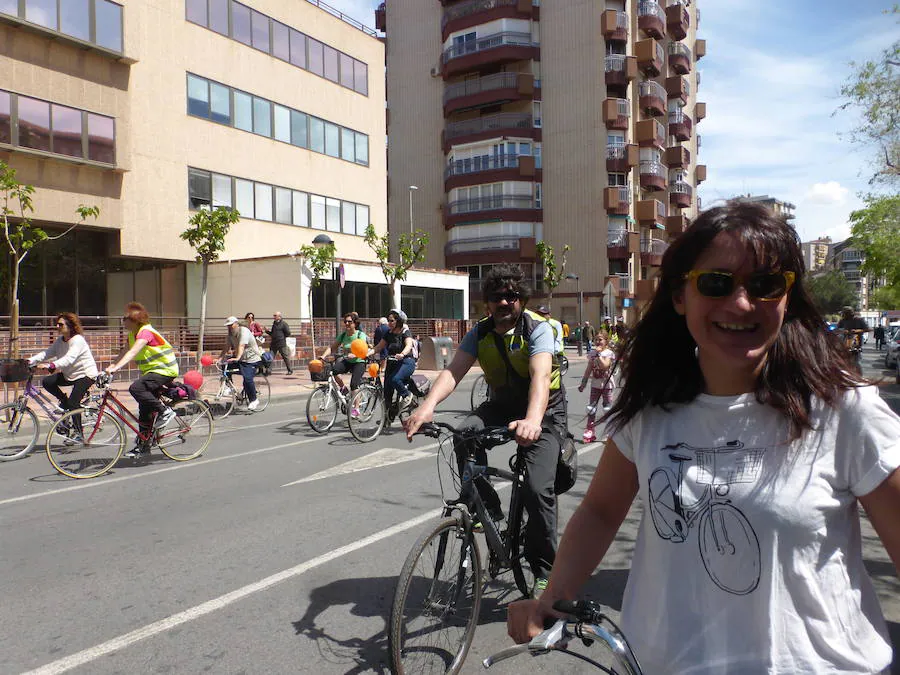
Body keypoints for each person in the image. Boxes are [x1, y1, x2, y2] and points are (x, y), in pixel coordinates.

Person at [507, 200, 900, 673]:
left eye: (765, 284)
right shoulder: (649, 407)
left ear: (787, 297)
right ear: (680, 296)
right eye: (716, 283)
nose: (741, 303)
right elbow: (600, 509)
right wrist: (553, 596)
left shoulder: (844, 410)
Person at [405, 264, 566, 596]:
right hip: (503, 405)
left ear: (521, 299)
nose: (504, 303)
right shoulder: (479, 332)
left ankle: (546, 570)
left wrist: (533, 421)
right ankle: (488, 506)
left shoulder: (538, 329)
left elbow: (540, 380)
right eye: (497, 297)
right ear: (487, 303)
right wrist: (427, 405)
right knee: (464, 434)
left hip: (544, 412)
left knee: (537, 490)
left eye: (511, 296)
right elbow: (453, 372)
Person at [106, 302, 179, 457]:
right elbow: (123, 352)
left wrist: (116, 368)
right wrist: (109, 368)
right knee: (144, 409)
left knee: (136, 388)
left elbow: (132, 353)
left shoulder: (146, 332)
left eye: (125, 318)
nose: (122, 320)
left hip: (165, 370)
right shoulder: (132, 335)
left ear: (135, 320)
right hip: (152, 372)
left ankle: (165, 411)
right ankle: (144, 445)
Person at [28, 312, 98, 415]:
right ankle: (64, 401)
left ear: (70, 326)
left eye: (61, 324)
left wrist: (50, 365)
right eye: (57, 324)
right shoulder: (60, 341)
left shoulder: (78, 340)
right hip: (70, 375)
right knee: (47, 382)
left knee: (73, 404)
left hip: (85, 375)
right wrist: (30, 361)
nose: (57, 326)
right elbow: (47, 353)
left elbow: (69, 359)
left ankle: (78, 431)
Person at [372, 309, 417, 413]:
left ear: (399, 321)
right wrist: (367, 353)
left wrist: (402, 354)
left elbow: (408, 345)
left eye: (392, 321)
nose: (389, 323)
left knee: (395, 380)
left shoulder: (405, 332)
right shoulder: (388, 333)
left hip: (406, 361)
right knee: (387, 390)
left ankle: (407, 395)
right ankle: (388, 416)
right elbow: (378, 347)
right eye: (388, 320)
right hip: (392, 362)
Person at [577, 331, 615, 443]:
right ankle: (590, 430)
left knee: (607, 409)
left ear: (606, 341)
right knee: (591, 408)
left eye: (600, 339)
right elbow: (589, 369)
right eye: (596, 339)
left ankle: (610, 432)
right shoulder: (592, 353)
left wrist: (599, 355)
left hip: (607, 386)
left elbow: (604, 366)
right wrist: (583, 383)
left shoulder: (609, 353)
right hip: (595, 385)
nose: (598, 342)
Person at [220, 316, 263, 411]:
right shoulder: (230, 335)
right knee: (225, 367)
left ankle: (254, 400)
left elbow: (242, 345)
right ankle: (228, 387)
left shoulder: (244, 331)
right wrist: (219, 358)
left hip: (252, 360)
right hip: (240, 359)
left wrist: (238, 357)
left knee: (247, 379)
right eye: (227, 326)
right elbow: (226, 347)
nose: (229, 327)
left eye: (231, 325)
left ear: (236, 324)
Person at [320, 312, 367, 393]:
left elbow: (363, 350)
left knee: (354, 385)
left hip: (359, 362)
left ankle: (356, 406)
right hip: (348, 361)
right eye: (345, 322)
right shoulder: (343, 335)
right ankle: (343, 388)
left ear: (355, 323)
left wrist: (355, 354)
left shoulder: (360, 335)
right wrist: (323, 356)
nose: (347, 323)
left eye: (349, 322)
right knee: (334, 371)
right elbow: (332, 347)